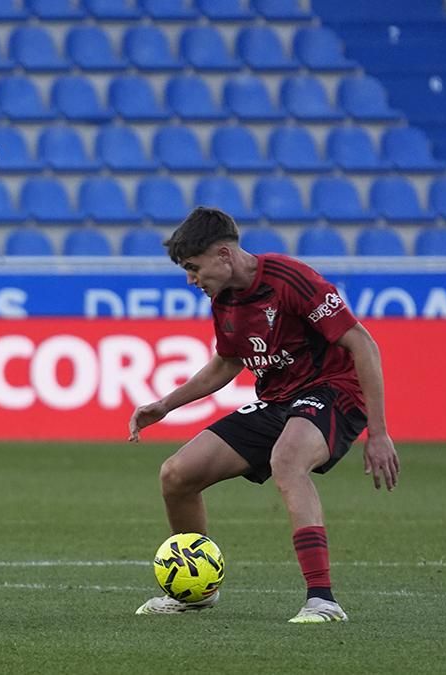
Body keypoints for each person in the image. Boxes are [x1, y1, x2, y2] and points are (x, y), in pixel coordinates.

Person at [128, 207, 400, 623]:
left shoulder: (289, 279)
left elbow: (363, 344)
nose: (191, 280)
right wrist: (166, 405)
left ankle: (322, 600)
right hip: (279, 400)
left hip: (334, 391)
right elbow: (226, 363)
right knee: (177, 475)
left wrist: (378, 433)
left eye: (193, 268)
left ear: (223, 254)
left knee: (287, 461)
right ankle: (195, 592)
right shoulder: (224, 300)